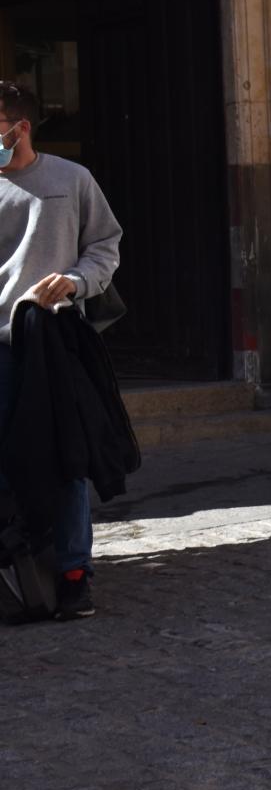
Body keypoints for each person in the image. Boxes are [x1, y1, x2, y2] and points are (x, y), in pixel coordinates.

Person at [0, 81, 122, 617]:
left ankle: (75, 574)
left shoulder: (72, 180)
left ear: (19, 127)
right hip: (0, 346)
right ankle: (16, 565)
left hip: (54, 341)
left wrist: (75, 281)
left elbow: (105, 245)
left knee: (67, 457)